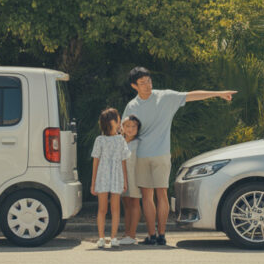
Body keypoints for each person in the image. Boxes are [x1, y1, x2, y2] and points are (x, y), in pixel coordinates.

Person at [122, 67, 236, 246]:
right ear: (134, 86)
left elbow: (191, 95)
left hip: (160, 155)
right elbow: (125, 132)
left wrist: (218, 93)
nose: (147, 86)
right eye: (142, 83)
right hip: (142, 155)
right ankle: (153, 235)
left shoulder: (164, 97)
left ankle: (160, 235)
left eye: (149, 81)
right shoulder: (132, 105)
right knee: (149, 196)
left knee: (159, 194)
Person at [90, 108, 130, 249]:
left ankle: (113, 238)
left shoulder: (121, 140)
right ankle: (101, 238)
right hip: (102, 177)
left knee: (115, 209)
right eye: (117, 120)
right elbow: (96, 161)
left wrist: (125, 180)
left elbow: (123, 161)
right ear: (111, 122)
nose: (119, 123)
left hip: (117, 176)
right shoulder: (99, 140)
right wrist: (92, 182)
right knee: (102, 209)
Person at [118, 116, 143, 245]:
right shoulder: (120, 141)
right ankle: (127, 233)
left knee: (134, 203)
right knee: (126, 204)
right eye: (127, 126)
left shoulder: (139, 143)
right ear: (122, 127)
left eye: (133, 126)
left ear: (138, 129)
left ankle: (132, 235)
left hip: (134, 176)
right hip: (122, 176)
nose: (130, 129)